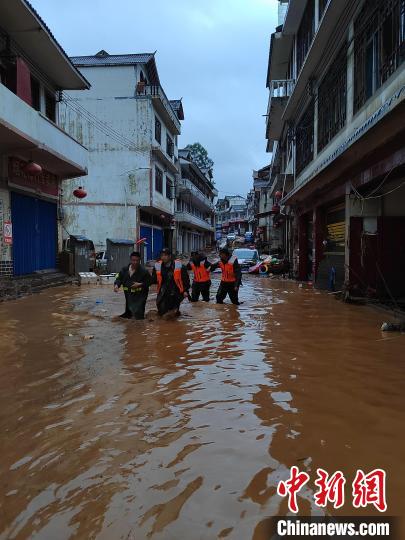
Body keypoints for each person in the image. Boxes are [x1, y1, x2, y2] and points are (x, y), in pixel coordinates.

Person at [151, 248, 190, 317]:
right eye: (162, 255)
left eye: (165, 255)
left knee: (172, 313)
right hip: (163, 292)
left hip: (176, 292)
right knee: (161, 311)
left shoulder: (180, 266)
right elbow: (153, 279)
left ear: (170, 256)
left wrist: (185, 291)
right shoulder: (157, 266)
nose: (163, 257)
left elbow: (186, 280)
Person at [114, 251, 151, 319]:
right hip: (128, 295)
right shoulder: (124, 270)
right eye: (133, 260)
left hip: (140, 297)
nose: (135, 262)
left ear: (139, 260)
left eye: (137, 260)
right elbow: (119, 278)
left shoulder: (144, 271)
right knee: (128, 315)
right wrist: (116, 285)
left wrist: (140, 284)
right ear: (130, 260)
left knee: (138, 317)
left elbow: (150, 282)